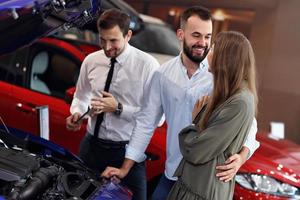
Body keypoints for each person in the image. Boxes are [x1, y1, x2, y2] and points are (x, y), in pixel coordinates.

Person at [101, 6, 259, 200]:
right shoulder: (162, 74)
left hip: (203, 176)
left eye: (208, 37)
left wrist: (243, 156)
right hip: (173, 171)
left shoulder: (220, 75)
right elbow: (146, 122)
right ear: (181, 34)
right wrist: (125, 167)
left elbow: (249, 123)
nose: (203, 43)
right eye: (196, 35)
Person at [65, 9, 159, 200]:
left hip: (128, 154)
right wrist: (77, 112)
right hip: (91, 147)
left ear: (128, 35)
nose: (107, 47)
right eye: (102, 39)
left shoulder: (148, 66)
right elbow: (81, 96)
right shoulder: (91, 61)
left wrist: (118, 108)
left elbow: (157, 117)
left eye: (114, 40)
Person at [167, 30, 258, 200]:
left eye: (213, 46)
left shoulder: (239, 99)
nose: (207, 49)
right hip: (188, 178)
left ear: (226, 58)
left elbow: (197, 150)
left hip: (202, 187)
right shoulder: (223, 87)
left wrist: (242, 156)